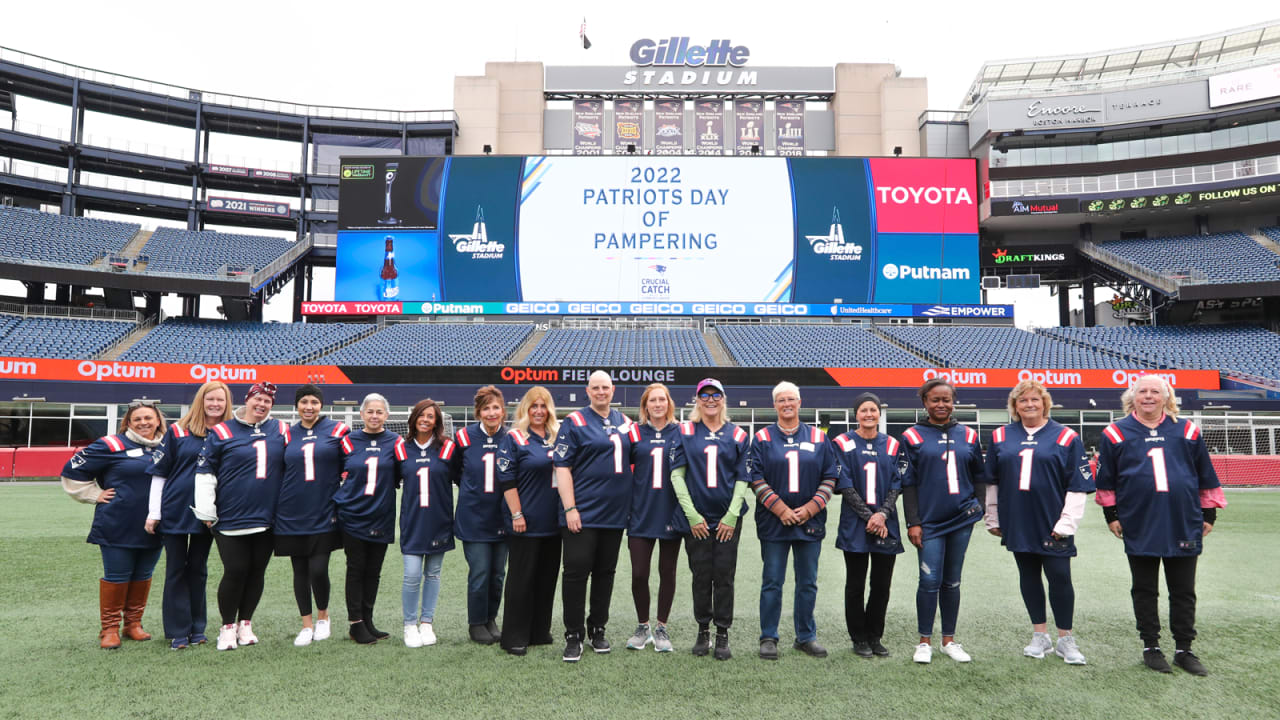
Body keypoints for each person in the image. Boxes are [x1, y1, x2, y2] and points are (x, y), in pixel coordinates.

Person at [1095, 374, 1225, 676]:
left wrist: (1209, 514)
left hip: (1182, 519)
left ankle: (1184, 648)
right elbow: (1107, 480)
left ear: (1167, 397)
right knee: (1144, 588)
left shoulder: (1188, 431)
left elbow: (1205, 474)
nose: (1149, 396)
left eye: (1156, 391)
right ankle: (1151, 646)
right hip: (1139, 520)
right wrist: (1111, 515)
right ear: (1133, 397)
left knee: (1183, 589)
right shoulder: (1115, 433)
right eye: (1143, 391)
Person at [984, 380, 1093, 665]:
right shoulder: (1000, 436)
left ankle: (1066, 639)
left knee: (1059, 577)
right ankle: (1040, 635)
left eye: (1035, 399)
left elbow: (1078, 484)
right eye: (1023, 400)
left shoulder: (1067, 436)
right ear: (1014, 406)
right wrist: (992, 516)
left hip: (1052, 519)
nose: (1029, 404)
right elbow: (992, 482)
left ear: (1045, 403)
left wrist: (1067, 523)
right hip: (1018, 519)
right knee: (1028, 576)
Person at [747, 381, 840, 660]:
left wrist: (811, 507)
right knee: (772, 581)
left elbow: (831, 476)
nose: (787, 404)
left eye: (791, 399)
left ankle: (805, 636)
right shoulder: (762, 438)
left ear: (800, 402)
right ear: (774, 405)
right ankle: (769, 636)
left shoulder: (819, 438)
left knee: (808, 582)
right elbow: (755, 477)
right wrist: (781, 509)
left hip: (810, 521)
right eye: (781, 400)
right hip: (774, 522)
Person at [63, 400, 167, 649]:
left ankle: (133, 624)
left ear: (158, 421)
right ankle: (109, 629)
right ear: (128, 423)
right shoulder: (111, 444)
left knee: (143, 574)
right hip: (117, 522)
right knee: (117, 576)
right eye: (137, 419)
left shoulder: (167, 445)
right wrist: (94, 494)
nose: (144, 423)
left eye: (148, 418)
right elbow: (71, 470)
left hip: (155, 524)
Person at [194, 381, 289, 651]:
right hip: (231, 515)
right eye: (257, 399)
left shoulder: (281, 429)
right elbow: (205, 471)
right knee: (235, 571)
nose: (261, 405)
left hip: (268, 516)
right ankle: (226, 626)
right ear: (247, 400)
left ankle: (245, 623)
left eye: (267, 401)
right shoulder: (223, 430)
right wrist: (206, 508)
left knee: (257, 571)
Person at [899, 378, 988, 664]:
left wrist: (979, 507)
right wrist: (913, 521)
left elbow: (979, 476)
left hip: (961, 519)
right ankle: (924, 641)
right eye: (935, 400)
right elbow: (908, 483)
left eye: (946, 400)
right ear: (924, 402)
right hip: (929, 522)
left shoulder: (969, 435)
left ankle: (948, 640)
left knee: (952, 582)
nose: (941, 405)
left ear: (953, 402)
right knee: (929, 580)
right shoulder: (911, 436)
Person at [554, 370, 636, 662]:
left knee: (605, 574)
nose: (601, 392)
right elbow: (562, 467)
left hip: (614, 515)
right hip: (582, 513)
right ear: (587, 391)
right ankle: (573, 634)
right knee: (576, 573)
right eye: (595, 388)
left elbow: (638, 461)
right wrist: (570, 507)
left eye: (606, 388)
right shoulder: (574, 422)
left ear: (613, 391)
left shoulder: (627, 423)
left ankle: (597, 628)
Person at [669, 378, 751, 660]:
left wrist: (731, 515)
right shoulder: (685, 431)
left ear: (723, 399)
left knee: (725, 576)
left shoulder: (738, 434)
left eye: (716, 395)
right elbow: (676, 475)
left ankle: (722, 632)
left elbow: (743, 478)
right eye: (705, 395)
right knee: (701, 576)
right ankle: (703, 629)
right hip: (697, 521)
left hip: (728, 519)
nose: (711, 400)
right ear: (697, 400)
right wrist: (692, 515)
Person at [145, 381, 230, 650]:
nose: (215, 404)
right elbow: (160, 473)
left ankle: (198, 628)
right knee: (176, 570)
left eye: (221, 400)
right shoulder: (178, 431)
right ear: (200, 401)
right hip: (175, 509)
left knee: (199, 569)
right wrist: (154, 512)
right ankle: (177, 630)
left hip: (207, 512)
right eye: (210, 399)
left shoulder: (228, 433)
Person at [831, 392, 903, 659]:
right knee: (855, 583)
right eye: (864, 410)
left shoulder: (893, 444)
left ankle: (875, 636)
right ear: (856, 414)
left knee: (882, 584)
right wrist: (869, 516)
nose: (869, 414)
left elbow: (897, 483)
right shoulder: (843, 443)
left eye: (873, 409)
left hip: (886, 523)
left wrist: (882, 514)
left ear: (879, 413)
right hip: (855, 524)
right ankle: (858, 637)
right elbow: (845, 484)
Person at [276, 384, 348, 647]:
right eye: (304, 402)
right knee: (299, 571)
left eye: (314, 402)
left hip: (324, 509)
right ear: (297, 406)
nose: (309, 407)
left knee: (318, 569)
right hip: (292, 511)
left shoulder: (338, 430)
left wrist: (340, 495)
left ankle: (323, 617)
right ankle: (306, 624)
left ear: (321, 405)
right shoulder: (286, 434)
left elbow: (350, 466)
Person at [334, 393, 406, 645]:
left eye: (379, 412)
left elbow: (402, 473)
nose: (374, 416)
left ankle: (368, 619)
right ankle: (355, 623)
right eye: (370, 411)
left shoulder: (396, 441)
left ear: (387, 415)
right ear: (362, 414)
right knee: (356, 569)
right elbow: (334, 472)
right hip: (353, 514)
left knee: (373, 572)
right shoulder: (348, 441)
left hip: (382, 515)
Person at [496, 386, 562, 656]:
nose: (538, 411)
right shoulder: (514, 438)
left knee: (546, 578)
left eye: (543, 406)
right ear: (525, 408)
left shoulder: (557, 437)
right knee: (521, 580)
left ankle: (538, 631)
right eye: (533, 406)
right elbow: (506, 479)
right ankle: (513, 636)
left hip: (553, 522)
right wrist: (516, 514)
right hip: (525, 521)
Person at [624, 383, 682, 654]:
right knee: (639, 573)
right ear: (645, 405)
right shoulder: (634, 433)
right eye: (652, 400)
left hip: (670, 511)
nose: (658, 404)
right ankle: (642, 625)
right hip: (641, 512)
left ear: (668, 403)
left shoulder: (681, 432)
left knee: (667, 572)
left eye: (662, 399)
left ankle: (661, 627)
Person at [450, 385, 510, 645]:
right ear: (478, 412)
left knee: (498, 573)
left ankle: (490, 619)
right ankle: (476, 623)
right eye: (486, 408)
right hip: (474, 516)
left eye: (495, 407)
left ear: (502, 411)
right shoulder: (463, 437)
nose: (491, 412)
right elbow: (455, 471)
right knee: (480, 572)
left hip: (502, 516)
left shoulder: (510, 437)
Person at [399, 398, 457, 648]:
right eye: (421, 415)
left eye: (431, 416)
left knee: (433, 574)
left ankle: (427, 622)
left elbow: (464, 479)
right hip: (412, 521)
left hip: (439, 520)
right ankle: (409, 624)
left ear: (437, 421)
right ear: (414, 418)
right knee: (412, 575)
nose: (425, 420)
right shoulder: (401, 448)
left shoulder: (447, 448)